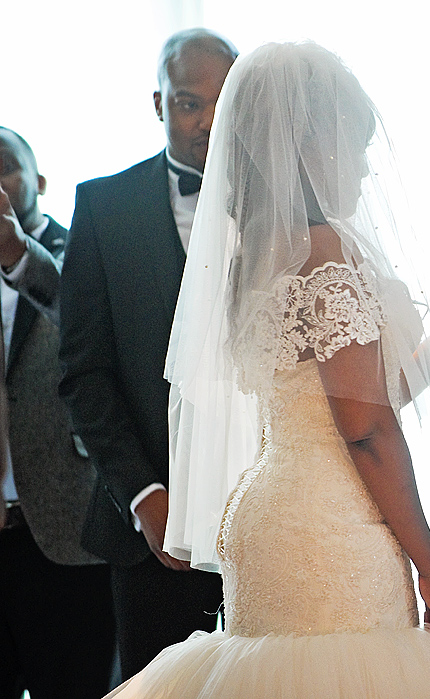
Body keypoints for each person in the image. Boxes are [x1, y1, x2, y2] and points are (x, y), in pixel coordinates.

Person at [103, 41, 430, 698]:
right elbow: (366, 427)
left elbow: (371, 394)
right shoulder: (325, 252)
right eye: (354, 148)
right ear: (311, 150)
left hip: (271, 518)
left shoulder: (254, 250)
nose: (364, 170)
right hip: (328, 533)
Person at [58, 29, 237, 679]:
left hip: (269, 513)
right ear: (158, 105)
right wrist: (142, 493)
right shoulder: (102, 207)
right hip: (153, 532)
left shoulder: (287, 206)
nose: (210, 122)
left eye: (226, 101)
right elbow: (85, 373)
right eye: (190, 103)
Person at [0, 128, 116, 698]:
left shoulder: (82, 255)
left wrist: (16, 253)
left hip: (65, 532)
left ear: (39, 180)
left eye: (4, 166)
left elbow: (87, 326)